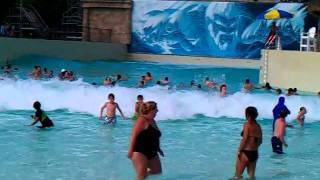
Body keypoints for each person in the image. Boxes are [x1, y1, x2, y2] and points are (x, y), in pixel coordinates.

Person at [128, 101, 163, 179]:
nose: (157, 111)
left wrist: (158, 148)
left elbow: (155, 136)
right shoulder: (142, 120)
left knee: (157, 171)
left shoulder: (153, 121)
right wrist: (130, 151)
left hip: (152, 151)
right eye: (156, 109)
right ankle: (141, 176)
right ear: (151, 110)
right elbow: (133, 136)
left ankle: (143, 175)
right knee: (141, 176)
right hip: (140, 151)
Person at [234, 106, 262, 179]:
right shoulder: (258, 126)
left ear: (248, 115)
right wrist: (254, 148)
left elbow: (245, 138)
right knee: (251, 177)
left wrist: (239, 150)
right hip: (254, 153)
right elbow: (260, 141)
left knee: (237, 176)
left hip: (245, 153)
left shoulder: (247, 125)